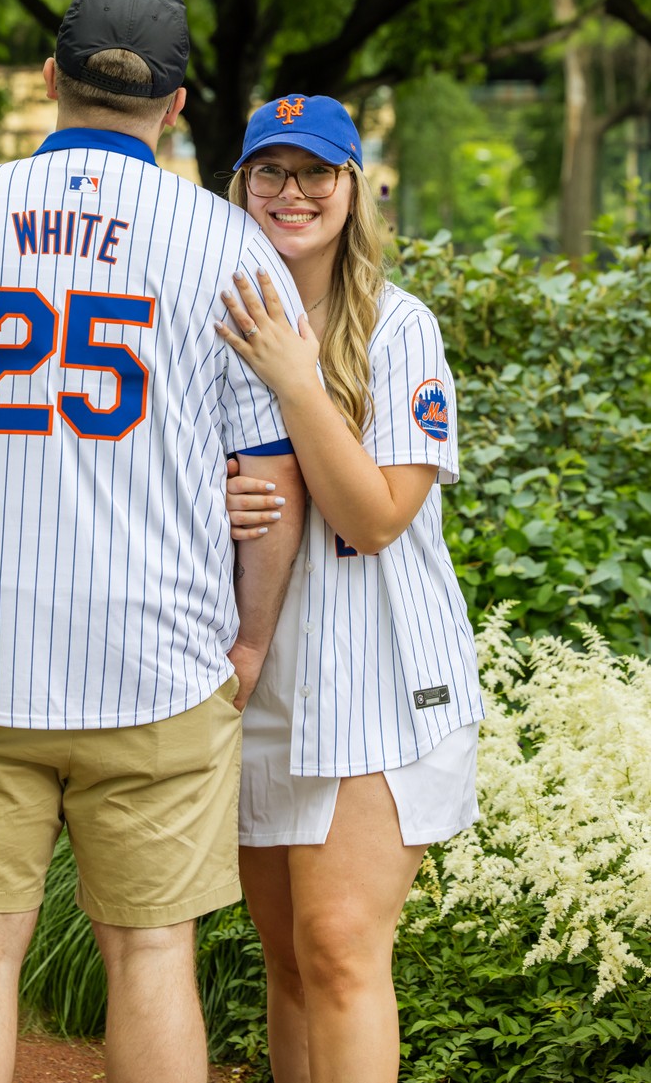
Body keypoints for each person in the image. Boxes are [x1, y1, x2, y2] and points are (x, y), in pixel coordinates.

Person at [0, 0, 306, 1083]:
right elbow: (269, 478)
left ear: (52, 80)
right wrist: (247, 644)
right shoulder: (228, 244)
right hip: (158, 656)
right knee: (151, 956)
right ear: (177, 104)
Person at [215, 94, 485, 1083]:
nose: (292, 193)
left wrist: (295, 379)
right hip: (263, 683)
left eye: (314, 172)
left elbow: (373, 519)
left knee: (336, 949)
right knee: (287, 961)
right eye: (269, 172)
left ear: (351, 187)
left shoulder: (397, 328)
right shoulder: (214, 319)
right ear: (239, 185)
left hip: (382, 681)